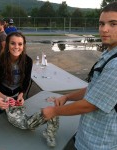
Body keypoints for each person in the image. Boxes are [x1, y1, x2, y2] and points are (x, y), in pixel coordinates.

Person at [42, 2, 117, 150]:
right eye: (101, 24)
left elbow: (90, 104)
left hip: (98, 144)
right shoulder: (109, 53)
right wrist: (67, 97)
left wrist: (54, 111)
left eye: (113, 24)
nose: (104, 29)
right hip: (86, 135)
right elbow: (94, 89)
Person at [0, 32, 33, 115]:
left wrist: (21, 94)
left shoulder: (28, 61)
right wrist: (2, 98)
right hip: (1, 96)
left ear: (23, 46)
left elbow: (26, 80)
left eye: (20, 44)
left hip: (16, 96)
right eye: (13, 43)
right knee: (0, 120)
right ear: (7, 45)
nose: (16, 47)